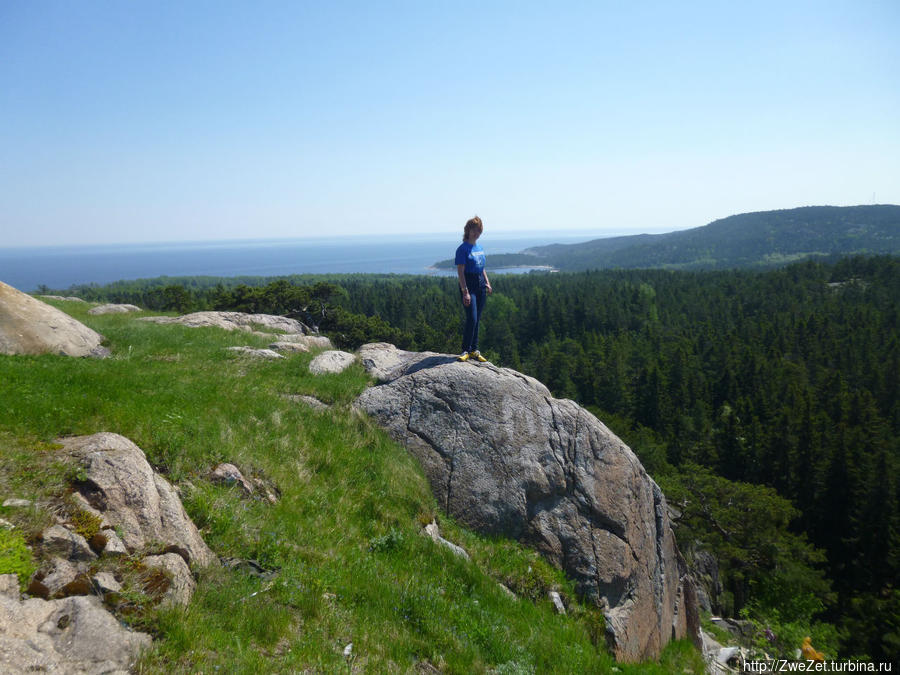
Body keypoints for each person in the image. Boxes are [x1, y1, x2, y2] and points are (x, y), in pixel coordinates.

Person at [455, 215, 492, 362]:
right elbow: (460, 271)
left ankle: (475, 350)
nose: (476, 233)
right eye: (474, 230)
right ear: (468, 230)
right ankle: (466, 350)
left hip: (480, 284)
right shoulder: (462, 249)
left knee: (478, 319)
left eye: (479, 231)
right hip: (468, 284)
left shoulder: (479, 248)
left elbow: (482, 268)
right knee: (472, 317)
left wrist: (487, 283)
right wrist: (465, 292)